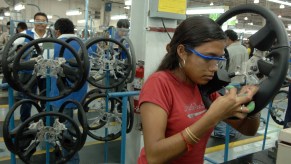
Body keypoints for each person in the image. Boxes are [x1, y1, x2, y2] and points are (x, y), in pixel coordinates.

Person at [137, 16, 260, 164]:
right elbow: (154, 156)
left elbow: (248, 130)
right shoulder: (159, 84)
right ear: (182, 51)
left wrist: (254, 101)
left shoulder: (204, 87)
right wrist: (212, 117)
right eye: (208, 57)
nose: (214, 67)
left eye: (219, 59)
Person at [51, 18, 88, 164]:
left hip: (60, 96)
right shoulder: (84, 45)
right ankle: (64, 154)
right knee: (72, 129)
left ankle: (72, 160)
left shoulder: (54, 45)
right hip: (81, 94)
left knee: (63, 132)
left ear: (58, 31)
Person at [15, 12, 52, 122]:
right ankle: (24, 125)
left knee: (46, 98)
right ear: (34, 22)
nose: (40, 23)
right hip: (28, 72)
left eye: (43, 21)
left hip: (46, 72)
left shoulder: (50, 36)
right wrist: (22, 57)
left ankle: (46, 122)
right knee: (27, 100)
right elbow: (12, 45)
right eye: (38, 20)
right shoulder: (26, 34)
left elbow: (53, 51)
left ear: (46, 23)